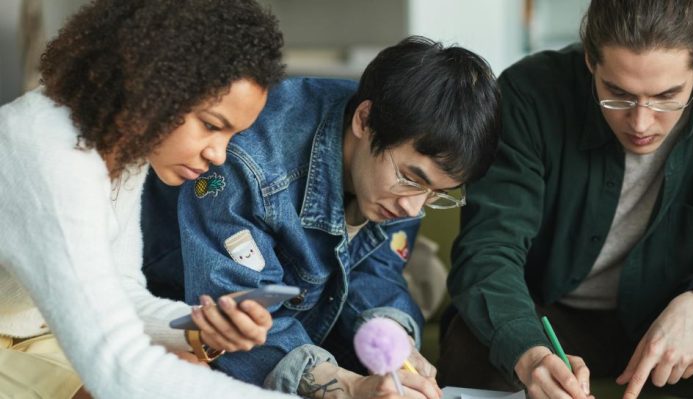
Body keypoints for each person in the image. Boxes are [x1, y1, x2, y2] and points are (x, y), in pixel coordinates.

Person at [437, 0, 693, 398]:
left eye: (666, 96)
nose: (641, 123)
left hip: (675, 311)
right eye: (617, 94)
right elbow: (489, 249)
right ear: (591, 59)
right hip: (553, 315)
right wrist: (529, 352)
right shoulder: (529, 93)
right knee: (474, 340)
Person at [0, 0, 331, 397]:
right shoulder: (47, 153)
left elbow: (121, 291)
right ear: (153, 86)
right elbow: (122, 371)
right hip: (23, 343)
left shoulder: (121, 147)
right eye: (210, 126)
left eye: (230, 136)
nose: (219, 155)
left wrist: (201, 326)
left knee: (188, 359)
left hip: (31, 337)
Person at [140, 36, 500, 398]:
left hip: (304, 325)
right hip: (183, 324)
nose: (413, 207)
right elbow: (237, 318)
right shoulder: (245, 161)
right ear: (364, 120)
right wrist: (349, 386)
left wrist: (394, 344)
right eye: (411, 179)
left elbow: (376, 269)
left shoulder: (401, 168)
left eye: (436, 194)